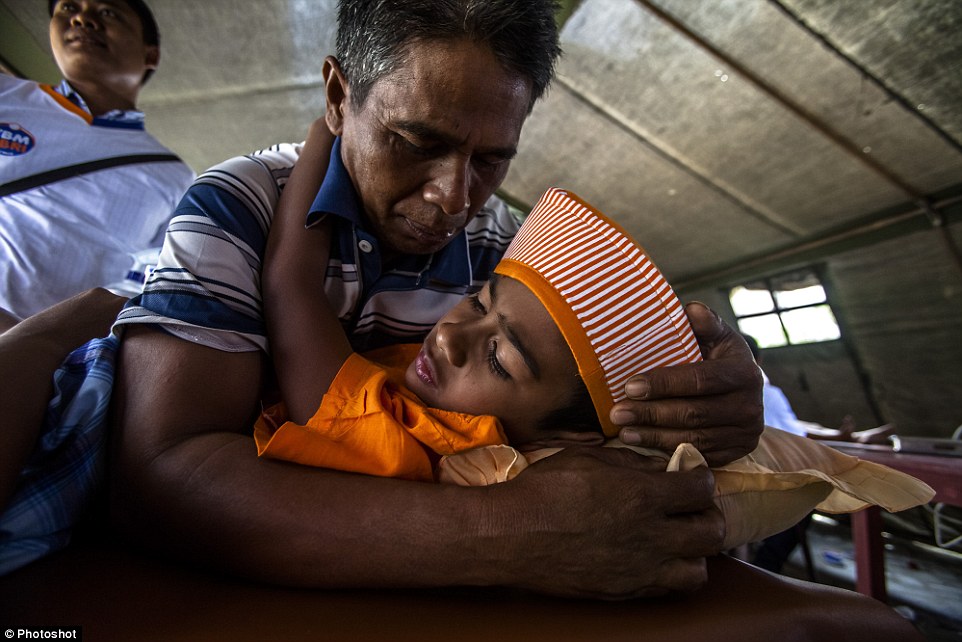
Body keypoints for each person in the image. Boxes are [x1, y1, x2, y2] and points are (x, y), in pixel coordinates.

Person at [108, 0, 764, 599]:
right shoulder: (240, 207)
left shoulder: (513, 252)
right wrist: (511, 536)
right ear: (339, 95)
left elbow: (611, 377)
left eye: (491, 161)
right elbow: (162, 478)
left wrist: (707, 393)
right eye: (418, 144)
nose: (454, 200)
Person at [0, 0, 195, 321]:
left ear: (150, 55)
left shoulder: (174, 176)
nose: (81, 19)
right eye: (67, 8)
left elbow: (160, 283)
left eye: (108, 12)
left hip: (44, 356)